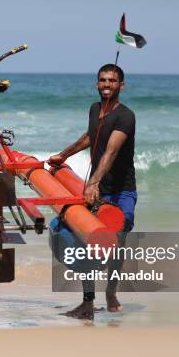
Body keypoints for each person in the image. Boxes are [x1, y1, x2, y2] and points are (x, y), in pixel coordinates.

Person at [48, 63, 137, 320]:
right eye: (102, 80)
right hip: (96, 191)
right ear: (97, 83)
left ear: (122, 85)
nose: (106, 84)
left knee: (117, 242)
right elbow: (90, 137)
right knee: (83, 242)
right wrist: (63, 155)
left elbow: (111, 150)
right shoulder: (95, 109)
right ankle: (88, 303)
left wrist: (94, 181)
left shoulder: (126, 116)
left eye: (112, 80)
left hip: (121, 192)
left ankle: (111, 291)